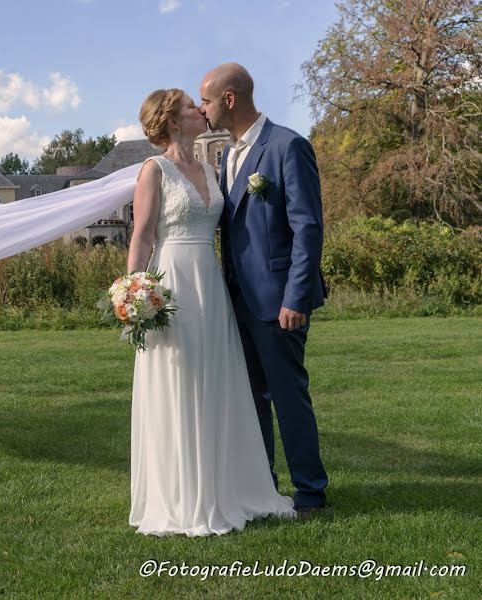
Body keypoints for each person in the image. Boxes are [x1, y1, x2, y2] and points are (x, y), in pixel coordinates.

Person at [127, 88, 297, 537]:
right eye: (189, 107)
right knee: (180, 379)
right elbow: (142, 236)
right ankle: (183, 494)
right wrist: (135, 290)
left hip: (212, 285)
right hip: (173, 283)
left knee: (218, 380)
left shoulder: (210, 167)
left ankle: (228, 485)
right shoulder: (153, 171)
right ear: (169, 120)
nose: (199, 110)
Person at [198, 63, 330, 518]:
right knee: (252, 398)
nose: (203, 109)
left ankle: (311, 493)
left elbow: (307, 227)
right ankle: (264, 488)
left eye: (207, 101)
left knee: (288, 395)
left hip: (277, 300)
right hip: (234, 299)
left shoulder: (287, 145)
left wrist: (296, 296)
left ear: (229, 99)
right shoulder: (226, 157)